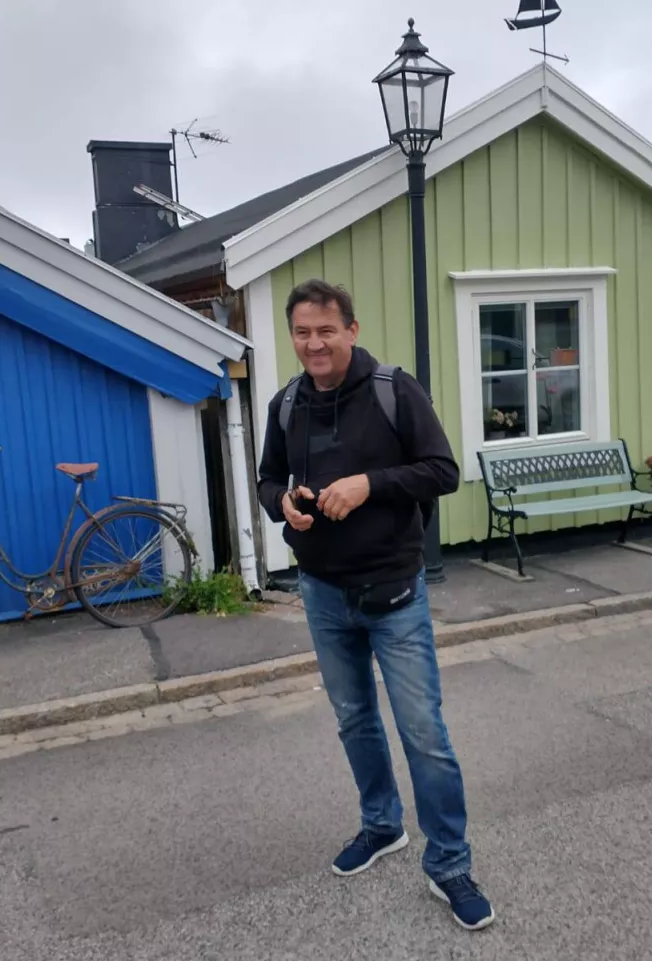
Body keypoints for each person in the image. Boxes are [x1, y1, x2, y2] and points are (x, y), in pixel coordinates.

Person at [256, 278, 494, 931]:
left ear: (351, 330)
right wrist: (283, 504)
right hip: (322, 593)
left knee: (424, 733)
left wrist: (369, 484)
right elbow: (268, 478)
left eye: (325, 330)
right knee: (355, 720)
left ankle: (449, 863)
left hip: (394, 593)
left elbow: (442, 471)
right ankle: (382, 824)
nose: (314, 343)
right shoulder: (286, 404)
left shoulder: (394, 390)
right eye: (302, 332)